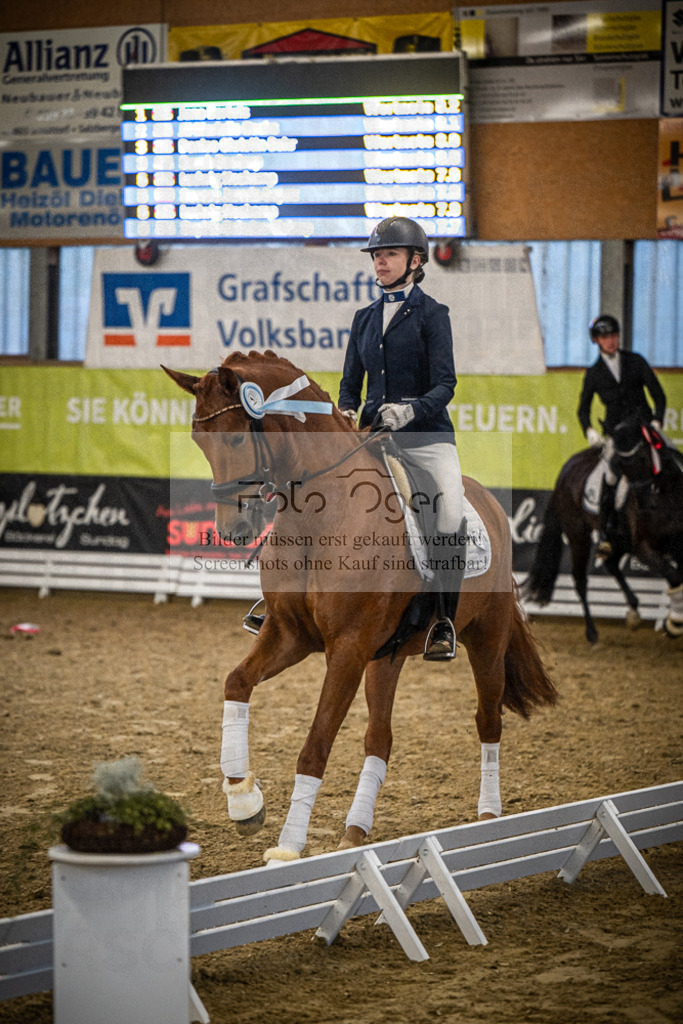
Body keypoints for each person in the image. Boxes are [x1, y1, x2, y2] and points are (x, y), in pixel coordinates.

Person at [339, 216, 466, 660]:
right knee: (317, 492)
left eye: (390, 254)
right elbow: (350, 384)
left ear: (415, 261)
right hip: (373, 437)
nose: (380, 261)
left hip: (427, 438)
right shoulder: (364, 318)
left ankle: (444, 620)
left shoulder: (433, 314)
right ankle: (287, 599)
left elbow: (446, 384)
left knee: (449, 510)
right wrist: (347, 410)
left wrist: (411, 410)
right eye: (377, 255)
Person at [577, 313, 666, 557]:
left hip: (645, 429)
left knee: (672, 459)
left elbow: (658, 394)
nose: (611, 341)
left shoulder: (635, 361)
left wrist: (657, 420)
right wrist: (589, 430)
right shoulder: (594, 373)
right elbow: (583, 410)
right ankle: (606, 533)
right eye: (605, 337)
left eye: (614, 335)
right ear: (597, 340)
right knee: (609, 477)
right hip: (618, 436)